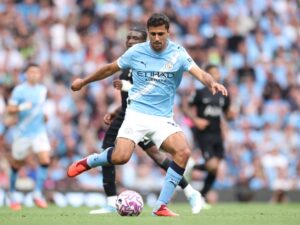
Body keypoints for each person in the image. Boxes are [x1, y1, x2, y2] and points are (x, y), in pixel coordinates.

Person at [68, 13, 227, 216]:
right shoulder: (136, 52)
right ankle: (89, 162)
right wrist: (83, 81)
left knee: (183, 153)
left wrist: (212, 82)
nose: (157, 38)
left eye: (161, 34)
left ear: (168, 32)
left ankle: (161, 205)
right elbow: (109, 69)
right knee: (120, 157)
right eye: (153, 34)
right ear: (148, 33)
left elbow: (199, 73)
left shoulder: (178, 53)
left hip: (162, 119)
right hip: (136, 115)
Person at [88, 27, 203, 215]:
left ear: (144, 43)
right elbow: (133, 95)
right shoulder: (126, 65)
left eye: (135, 38)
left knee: (156, 157)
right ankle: (111, 201)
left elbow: (144, 90)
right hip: (128, 116)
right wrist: (116, 111)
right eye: (128, 37)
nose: (131, 40)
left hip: (143, 119)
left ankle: (189, 191)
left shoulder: (145, 64)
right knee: (115, 149)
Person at [182, 64, 236, 208]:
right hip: (204, 133)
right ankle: (192, 167)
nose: (215, 76)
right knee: (212, 165)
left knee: (216, 168)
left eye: (217, 73)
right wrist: (195, 120)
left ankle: (202, 196)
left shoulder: (224, 93)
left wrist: (231, 115)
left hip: (217, 133)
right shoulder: (200, 92)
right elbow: (185, 107)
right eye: (212, 73)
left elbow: (227, 114)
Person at [6, 63, 51, 210]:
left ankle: (37, 193)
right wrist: (22, 107)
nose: (34, 75)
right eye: (31, 72)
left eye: (37, 72)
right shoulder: (19, 90)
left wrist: (45, 117)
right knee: (16, 165)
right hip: (23, 133)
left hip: (39, 132)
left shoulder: (43, 90)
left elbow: (42, 109)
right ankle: (12, 194)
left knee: (45, 159)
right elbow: (10, 109)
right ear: (26, 74)